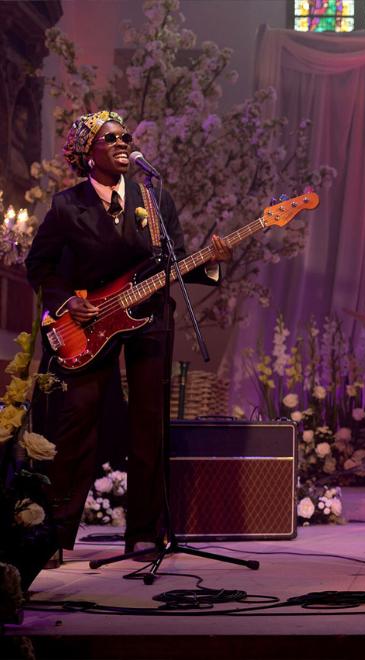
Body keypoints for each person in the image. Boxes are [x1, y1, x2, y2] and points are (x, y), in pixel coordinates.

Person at [25, 111, 231, 559]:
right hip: (86, 327)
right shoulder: (67, 205)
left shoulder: (153, 200)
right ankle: (54, 537)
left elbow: (175, 261)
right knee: (76, 424)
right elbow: (38, 266)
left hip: (150, 321)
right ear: (88, 152)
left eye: (126, 137)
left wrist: (212, 260)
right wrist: (66, 303)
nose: (123, 143)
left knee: (148, 426)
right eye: (111, 138)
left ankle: (144, 532)